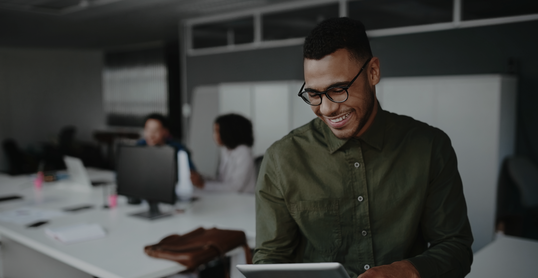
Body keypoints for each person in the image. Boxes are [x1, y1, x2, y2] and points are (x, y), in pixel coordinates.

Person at [253, 17, 473, 278]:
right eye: (314, 94)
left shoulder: (430, 147)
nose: (326, 108)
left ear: (373, 72)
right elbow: (271, 259)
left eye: (338, 89)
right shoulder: (282, 158)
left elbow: (456, 248)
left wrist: (408, 270)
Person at [193, 113, 256, 193]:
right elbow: (222, 182)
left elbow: (235, 188)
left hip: (243, 200)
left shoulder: (244, 153)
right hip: (229, 199)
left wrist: (203, 185)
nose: (214, 135)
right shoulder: (226, 151)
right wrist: (203, 179)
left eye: (217, 131)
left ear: (229, 132)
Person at [137, 113, 203, 187]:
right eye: (147, 130)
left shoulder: (178, 149)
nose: (151, 135)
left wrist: (195, 178)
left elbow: (194, 176)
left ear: (165, 131)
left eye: (155, 130)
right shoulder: (139, 146)